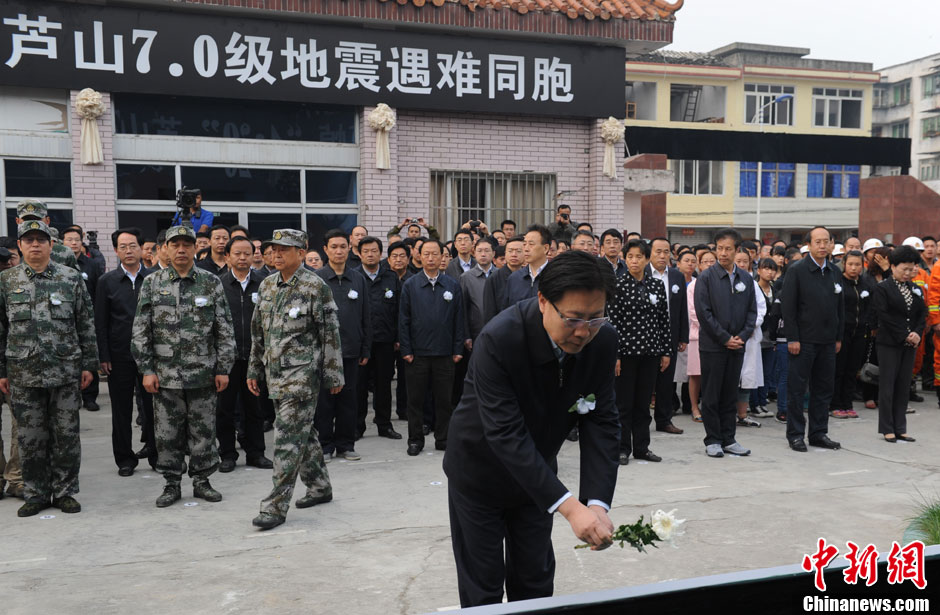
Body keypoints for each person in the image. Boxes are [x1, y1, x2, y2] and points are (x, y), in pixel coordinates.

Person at [444, 250, 619, 607]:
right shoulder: (500, 338)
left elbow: (601, 420)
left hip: (538, 479)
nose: (584, 331)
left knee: (535, 582)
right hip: (480, 474)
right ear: (543, 301)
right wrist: (571, 508)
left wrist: (596, 503)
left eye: (595, 318)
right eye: (572, 319)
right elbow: (505, 433)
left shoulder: (601, 340)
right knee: (484, 588)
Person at [246, 229, 344, 530]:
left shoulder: (316, 287)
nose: (275, 255)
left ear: (301, 253)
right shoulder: (266, 286)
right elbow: (257, 332)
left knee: (286, 439)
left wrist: (333, 374)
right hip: (274, 375)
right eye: (272, 250)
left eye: (283, 250)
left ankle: (275, 506)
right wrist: (254, 369)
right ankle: (319, 486)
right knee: (304, 433)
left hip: (302, 377)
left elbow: (330, 333)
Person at [132, 225, 235, 508]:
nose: (180, 250)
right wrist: (147, 369)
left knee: (203, 431)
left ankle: (202, 481)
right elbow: (141, 330)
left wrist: (223, 368)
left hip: (203, 372)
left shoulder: (210, 282)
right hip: (165, 375)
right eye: (174, 244)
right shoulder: (152, 283)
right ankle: (171, 484)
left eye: (186, 245)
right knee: (168, 433)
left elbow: (224, 328)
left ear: (194, 248)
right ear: (164, 248)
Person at [0, 220, 97, 517]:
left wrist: (89, 364)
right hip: (22, 373)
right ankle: (36, 492)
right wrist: (2, 371)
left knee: (66, 436)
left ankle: (65, 491)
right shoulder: (7, 281)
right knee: (30, 438)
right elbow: (1, 329)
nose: (35, 245)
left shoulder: (70, 278)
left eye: (41, 240)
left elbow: (85, 322)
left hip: (65, 371)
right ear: (20, 246)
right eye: (28, 240)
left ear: (51, 245)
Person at [95, 227, 157, 476]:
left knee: (153, 408)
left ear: (142, 248)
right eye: (123, 246)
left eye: (133, 245)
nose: (129, 251)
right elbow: (100, 322)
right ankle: (125, 459)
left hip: (151, 356)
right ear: (116, 251)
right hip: (119, 355)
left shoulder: (154, 278)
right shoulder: (106, 281)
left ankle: (156, 454)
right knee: (121, 410)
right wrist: (104, 355)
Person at [399, 239, 466, 456]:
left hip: (445, 353)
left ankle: (443, 438)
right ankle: (415, 439)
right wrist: (407, 351)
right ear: (419, 256)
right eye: (426, 254)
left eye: (435, 254)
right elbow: (403, 320)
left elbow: (459, 319)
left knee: (444, 401)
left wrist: (457, 349)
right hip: (417, 354)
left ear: (442, 257)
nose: (430, 258)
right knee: (416, 401)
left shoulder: (453, 285)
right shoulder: (410, 285)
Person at [694, 228, 757, 458]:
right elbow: (704, 313)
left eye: (727, 249)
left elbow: (752, 311)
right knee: (711, 393)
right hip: (713, 345)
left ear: (737, 250)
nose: (722, 253)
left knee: (730, 392)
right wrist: (724, 338)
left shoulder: (746, 278)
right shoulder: (706, 277)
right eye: (719, 248)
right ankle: (713, 439)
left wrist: (743, 334)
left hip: (737, 345)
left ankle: (729, 438)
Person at [782, 226, 844, 453]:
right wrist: (793, 338)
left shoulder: (835, 271)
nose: (821, 245)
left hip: (828, 341)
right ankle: (796, 435)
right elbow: (788, 308)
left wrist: (838, 337)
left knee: (823, 389)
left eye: (825, 241)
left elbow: (840, 307)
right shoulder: (797, 270)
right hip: (803, 341)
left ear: (831, 244)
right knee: (798, 390)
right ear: (808, 244)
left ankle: (819, 433)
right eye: (817, 241)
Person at [609, 239, 671, 465]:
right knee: (624, 404)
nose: (634, 261)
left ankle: (642, 448)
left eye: (639, 257)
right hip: (626, 354)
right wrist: (614, 355)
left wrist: (665, 351)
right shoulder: (618, 285)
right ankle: (622, 448)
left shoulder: (656, 285)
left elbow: (664, 320)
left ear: (647, 260)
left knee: (643, 404)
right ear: (625, 259)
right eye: (630, 257)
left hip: (651, 353)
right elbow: (612, 323)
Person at [217, 236, 272, 472]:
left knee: (255, 408)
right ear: (227, 256)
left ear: (253, 255)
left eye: (247, 253)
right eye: (237, 253)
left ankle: (256, 453)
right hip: (226, 359)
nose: (242, 258)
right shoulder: (217, 284)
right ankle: (227, 454)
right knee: (225, 409)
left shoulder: (265, 283)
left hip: (255, 358)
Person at [315, 229, 372, 461]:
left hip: (350, 350)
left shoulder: (358, 278)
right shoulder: (317, 279)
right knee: (325, 401)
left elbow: (366, 315)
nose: (339, 251)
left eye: (342, 246)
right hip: (324, 353)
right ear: (326, 249)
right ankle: (325, 444)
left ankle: (346, 445)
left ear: (350, 248)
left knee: (349, 400)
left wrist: (365, 347)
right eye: (334, 247)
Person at [873, 246, 925, 443]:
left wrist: (917, 334)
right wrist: (904, 335)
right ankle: (887, 428)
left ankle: (900, 427)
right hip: (889, 343)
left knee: (904, 385)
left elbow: (922, 314)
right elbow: (883, 316)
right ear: (893, 266)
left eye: (911, 269)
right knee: (888, 386)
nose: (907, 273)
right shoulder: (883, 288)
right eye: (904, 268)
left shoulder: (915, 289)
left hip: (910, 344)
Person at [354, 236, 403, 440]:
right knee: (359, 386)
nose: (370, 254)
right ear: (359, 254)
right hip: (360, 342)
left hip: (385, 341)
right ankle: (357, 426)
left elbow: (401, 310)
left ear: (380, 253)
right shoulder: (353, 277)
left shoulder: (390, 277)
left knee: (384, 385)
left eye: (374, 250)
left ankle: (384, 424)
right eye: (366, 251)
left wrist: (399, 337)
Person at [648, 237, 689, 436]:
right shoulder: (642, 273)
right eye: (658, 251)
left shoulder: (676, 276)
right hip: (645, 336)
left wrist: (683, 336)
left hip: (670, 336)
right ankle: (640, 421)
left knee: (666, 382)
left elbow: (682, 309)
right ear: (650, 253)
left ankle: (664, 420)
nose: (663, 256)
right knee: (645, 382)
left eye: (666, 252)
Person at [61, 225, 101, 412]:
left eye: (77, 239)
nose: (74, 243)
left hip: (87, 317)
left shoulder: (91, 264)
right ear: (63, 242)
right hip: (65, 319)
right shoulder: (58, 265)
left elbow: (98, 291)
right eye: (69, 240)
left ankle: (90, 397)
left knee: (89, 355)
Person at [830, 250, 872, 419]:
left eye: (858, 265)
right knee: (838, 369)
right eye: (850, 264)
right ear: (844, 265)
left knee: (852, 369)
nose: (854, 268)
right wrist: (836, 336)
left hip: (859, 333)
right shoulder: (838, 283)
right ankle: (835, 404)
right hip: (842, 333)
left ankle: (847, 404)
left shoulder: (865, 283)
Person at [14, 200, 78, 270]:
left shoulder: (63, 253)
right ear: (17, 221)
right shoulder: (8, 249)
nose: (32, 224)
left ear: (47, 221)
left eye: (37, 219)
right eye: (27, 220)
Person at [504, 225, 550, 307]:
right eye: (524, 244)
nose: (526, 249)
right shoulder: (514, 278)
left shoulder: (555, 277)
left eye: (531, 244)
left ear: (545, 248)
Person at [482, 236, 524, 323]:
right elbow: (489, 311)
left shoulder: (528, 276)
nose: (514, 254)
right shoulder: (494, 278)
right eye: (510, 251)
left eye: (519, 251)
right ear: (505, 254)